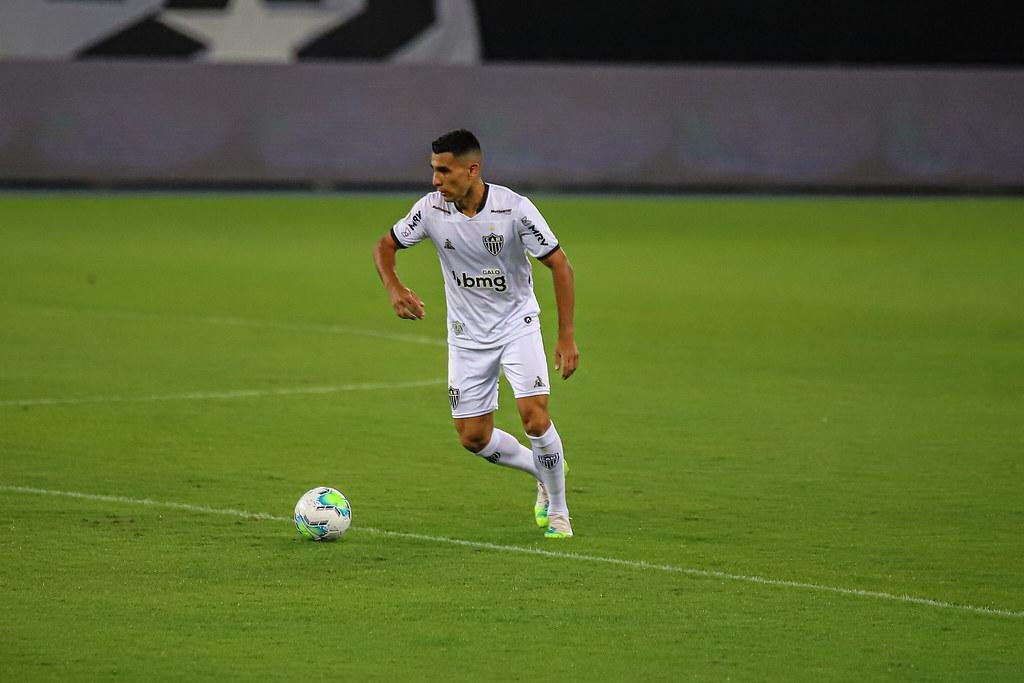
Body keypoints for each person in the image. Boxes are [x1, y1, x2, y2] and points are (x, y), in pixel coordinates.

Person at [373, 129, 578, 538]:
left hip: (517, 326)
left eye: (443, 171)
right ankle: (542, 468)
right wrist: (395, 288)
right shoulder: (430, 210)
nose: (435, 180)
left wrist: (566, 336)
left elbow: (560, 265)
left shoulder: (514, 209)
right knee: (473, 437)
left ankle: (558, 512)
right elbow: (384, 246)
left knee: (534, 419)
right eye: (433, 170)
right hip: (467, 337)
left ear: (472, 169)